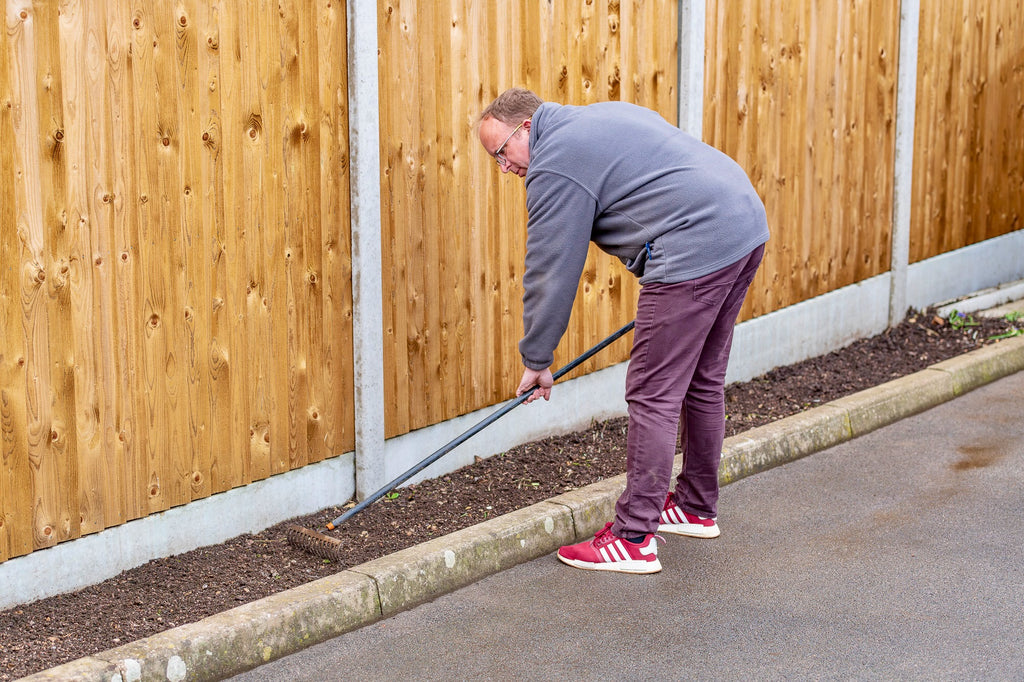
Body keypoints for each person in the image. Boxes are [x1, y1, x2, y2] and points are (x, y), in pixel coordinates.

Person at [476, 88, 769, 574]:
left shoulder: (555, 163)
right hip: (741, 225)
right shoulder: (599, 117)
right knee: (701, 379)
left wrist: (537, 359)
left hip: (695, 245)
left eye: (501, 152)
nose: (503, 168)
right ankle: (696, 506)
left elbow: (551, 268)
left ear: (525, 128)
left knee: (652, 392)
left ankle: (633, 537)